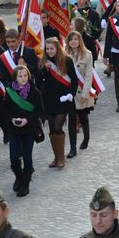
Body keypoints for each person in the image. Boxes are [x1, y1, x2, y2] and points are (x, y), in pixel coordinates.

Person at [38, 37, 78, 168]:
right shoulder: (43, 61)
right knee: (51, 128)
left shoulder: (66, 60)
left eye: (52, 48)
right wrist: (45, 69)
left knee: (57, 126)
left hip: (63, 99)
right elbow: (38, 82)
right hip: (48, 100)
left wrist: (71, 94)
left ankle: (61, 157)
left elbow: (74, 80)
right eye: (47, 49)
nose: (49, 51)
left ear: (57, 48)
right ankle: (56, 157)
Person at [3, 66, 42, 197]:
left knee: (27, 157)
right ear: (15, 77)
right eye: (20, 76)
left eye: (25, 75)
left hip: (29, 129)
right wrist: (12, 119)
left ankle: (25, 184)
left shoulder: (35, 92)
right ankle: (19, 177)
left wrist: (27, 120)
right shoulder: (9, 92)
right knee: (14, 158)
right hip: (14, 129)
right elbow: (5, 110)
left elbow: (38, 111)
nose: (23, 78)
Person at [66, 31, 94, 159]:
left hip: (82, 91)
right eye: (71, 39)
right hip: (70, 93)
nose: (73, 41)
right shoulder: (64, 55)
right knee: (71, 120)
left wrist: (86, 93)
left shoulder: (87, 55)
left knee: (83, 118)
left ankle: (86, 139)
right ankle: (72, 148)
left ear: (79, 40)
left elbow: (89, 75)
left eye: (76, 39)